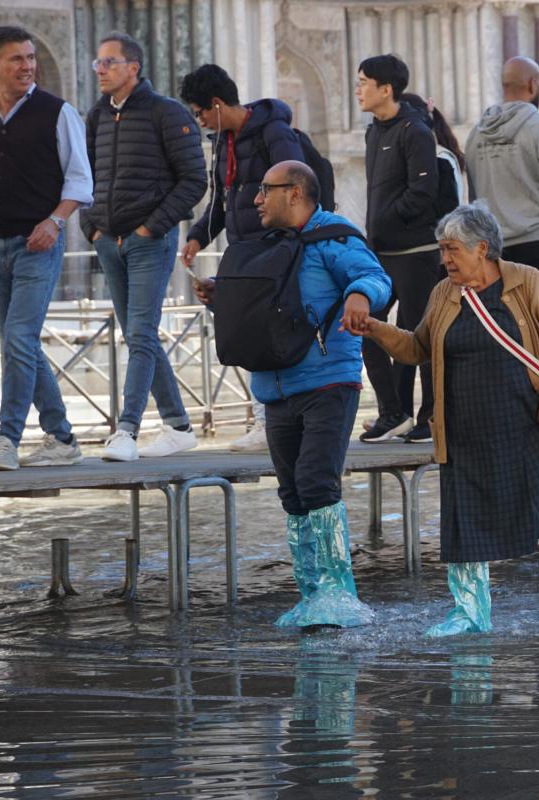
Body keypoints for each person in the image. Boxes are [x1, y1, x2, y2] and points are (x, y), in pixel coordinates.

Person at [352, 203, 539, 636]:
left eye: (452, 249)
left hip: (530, 424)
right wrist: (376, 329)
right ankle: (470, 612)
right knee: (464, 527)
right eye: (442, 250)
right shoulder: (444, 293)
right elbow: (417, 348)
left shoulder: (526, 282)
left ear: (482, 248)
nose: (445, 260)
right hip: (464, 431)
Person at [194, 161, 392, 628]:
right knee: (291, 493)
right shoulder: (270, 243)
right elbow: (276, 294)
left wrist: (360, 296)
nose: (257, 199)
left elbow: (377, 278)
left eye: (267, 189)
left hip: (328, 380)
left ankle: (340, 595)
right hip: (274, 386)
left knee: (317, 481)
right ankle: (311, 595)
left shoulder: (335, 237)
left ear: (297, 193)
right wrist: (221, 291)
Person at [0, 26, 94, 471]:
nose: (27, 66)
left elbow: (80, 180)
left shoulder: (58, 112)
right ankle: (61, 437)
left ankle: (7, 438)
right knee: (19, 344)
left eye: (31, 58)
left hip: (37, 244)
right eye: (16, 59)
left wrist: (55, 222)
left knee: (18, 338)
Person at [83, 31, 207, 461]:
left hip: (147, 243)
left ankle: (127, 430)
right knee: (141, 335)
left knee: (138, 335)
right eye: (98, 63)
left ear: (133, 67)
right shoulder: (97, 116)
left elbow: (195, 180)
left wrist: (151, 228)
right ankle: (179, 426)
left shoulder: (166, 113)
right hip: (108, 242)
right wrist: (92, 228)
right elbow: (85, 178)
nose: (101, 70)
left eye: (109, 62)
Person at [178, 63, 306, 453]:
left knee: (270, 333)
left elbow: (298, 186)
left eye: (200, 112)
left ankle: (274, 421)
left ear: (217, 104)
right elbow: (221, 200)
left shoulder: (274, 133)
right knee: (250, 334)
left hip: (275, 253)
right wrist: (199, 236)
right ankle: (265, 419)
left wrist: (286, 244)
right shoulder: (224, 143)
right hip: (245, 253)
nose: (199, 121)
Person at [355, 55, 443, 445]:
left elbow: (424, 191)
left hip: (417, 251)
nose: (358, 89)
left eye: (363, 82)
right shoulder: (373, 132)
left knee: (420, 336)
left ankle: (430, 417)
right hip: (381, 254)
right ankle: (393, 412)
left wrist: (389, 218)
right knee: (367, 327)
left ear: (385, 89)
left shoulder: (415, 131)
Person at [465, 57, 539, 306]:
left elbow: (474, 196)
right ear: (533, 84)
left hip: (497, 250)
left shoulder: (477, 134)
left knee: (508, 331)